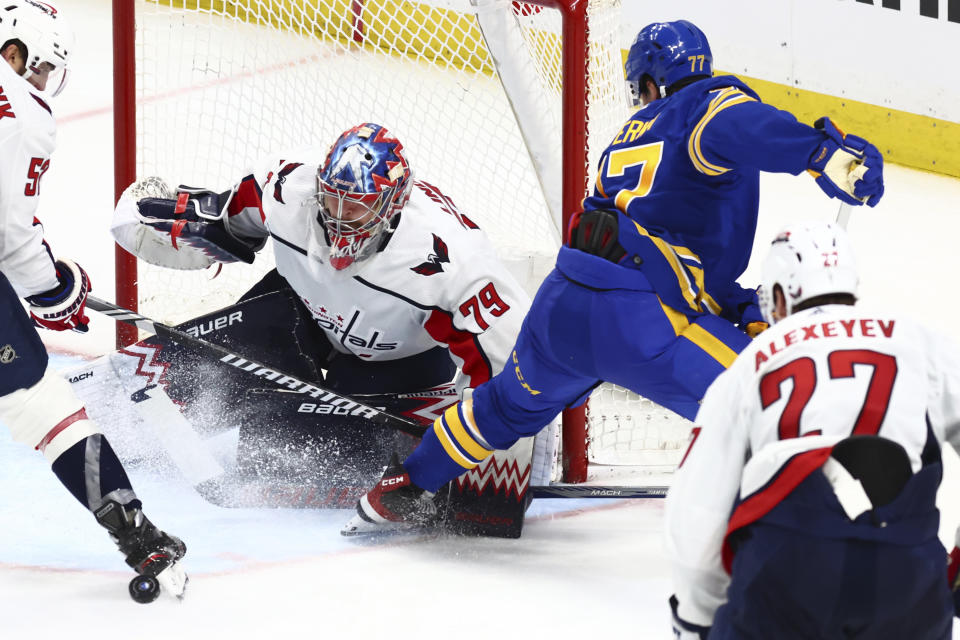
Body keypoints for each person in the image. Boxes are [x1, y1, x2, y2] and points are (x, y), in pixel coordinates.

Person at [340, 19, 886, 534]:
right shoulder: (709, 102)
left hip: (563, 308)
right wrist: (824, 154)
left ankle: (405, 484)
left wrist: (740, 310)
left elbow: (662, 250)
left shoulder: (627, 135)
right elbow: (740, 123)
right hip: (643, 321)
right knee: (773, 398)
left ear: (649, 80)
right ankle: (851, 528)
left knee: (507, 405)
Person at [111, 122, 534, 534]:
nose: (340, 218)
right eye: (333, 200)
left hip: (397, 355)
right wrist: (164, 226)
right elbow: (229, 227)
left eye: (357, 206)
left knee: (291, 452)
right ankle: (125, 415)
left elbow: (514, 370)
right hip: (302, 312)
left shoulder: (452, 263)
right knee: (221, 370)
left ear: (392, 206)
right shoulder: (284, 189)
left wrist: (477, 467)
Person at [665, 221, 960, 639]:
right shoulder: (917, 340)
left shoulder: (750, 365)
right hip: (904, 568)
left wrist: (698, 616)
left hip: (786, 562)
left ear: (781, 297)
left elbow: (697, 508)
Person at [0, 0, 186, 595]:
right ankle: (139, 537)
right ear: (15, 52)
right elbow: (10, 233)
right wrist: (56, 291)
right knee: (41, 405)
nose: (44, 82)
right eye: (43, 69)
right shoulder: (22, 108)